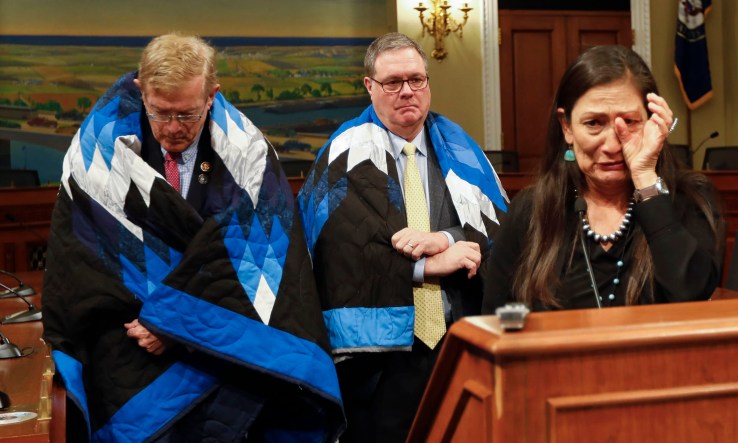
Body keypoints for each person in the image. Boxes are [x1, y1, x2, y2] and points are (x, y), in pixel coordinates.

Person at [42, 33, 344, 442]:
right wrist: (150, 322)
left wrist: (172, 323)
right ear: (140, 91)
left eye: (186, 115)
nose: (171, 129)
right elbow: (82, 259)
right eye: (159, 112)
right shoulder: (96, 153)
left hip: (225, 340)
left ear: (211, 96)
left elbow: (261, 260)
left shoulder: (247, 153)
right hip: (128, 335)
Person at [297, 32, 508, 442]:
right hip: (378, 364)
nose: (406, 92)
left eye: (416, 79)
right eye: (392, 82)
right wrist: (422, 267)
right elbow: (334, 253)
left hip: (459, 341)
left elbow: (499, 226)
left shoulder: (462, 148)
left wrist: (444, 239)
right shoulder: (343, 153)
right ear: (369, 87)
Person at [483, 45, 725, 313]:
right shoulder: (531, 210)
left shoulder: (691, 199)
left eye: (630, 122)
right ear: (567, 127)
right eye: (594, 123)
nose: (612, 145)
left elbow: (693, 296)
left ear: (653, 121)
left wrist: (645, 177)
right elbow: (494, 322)